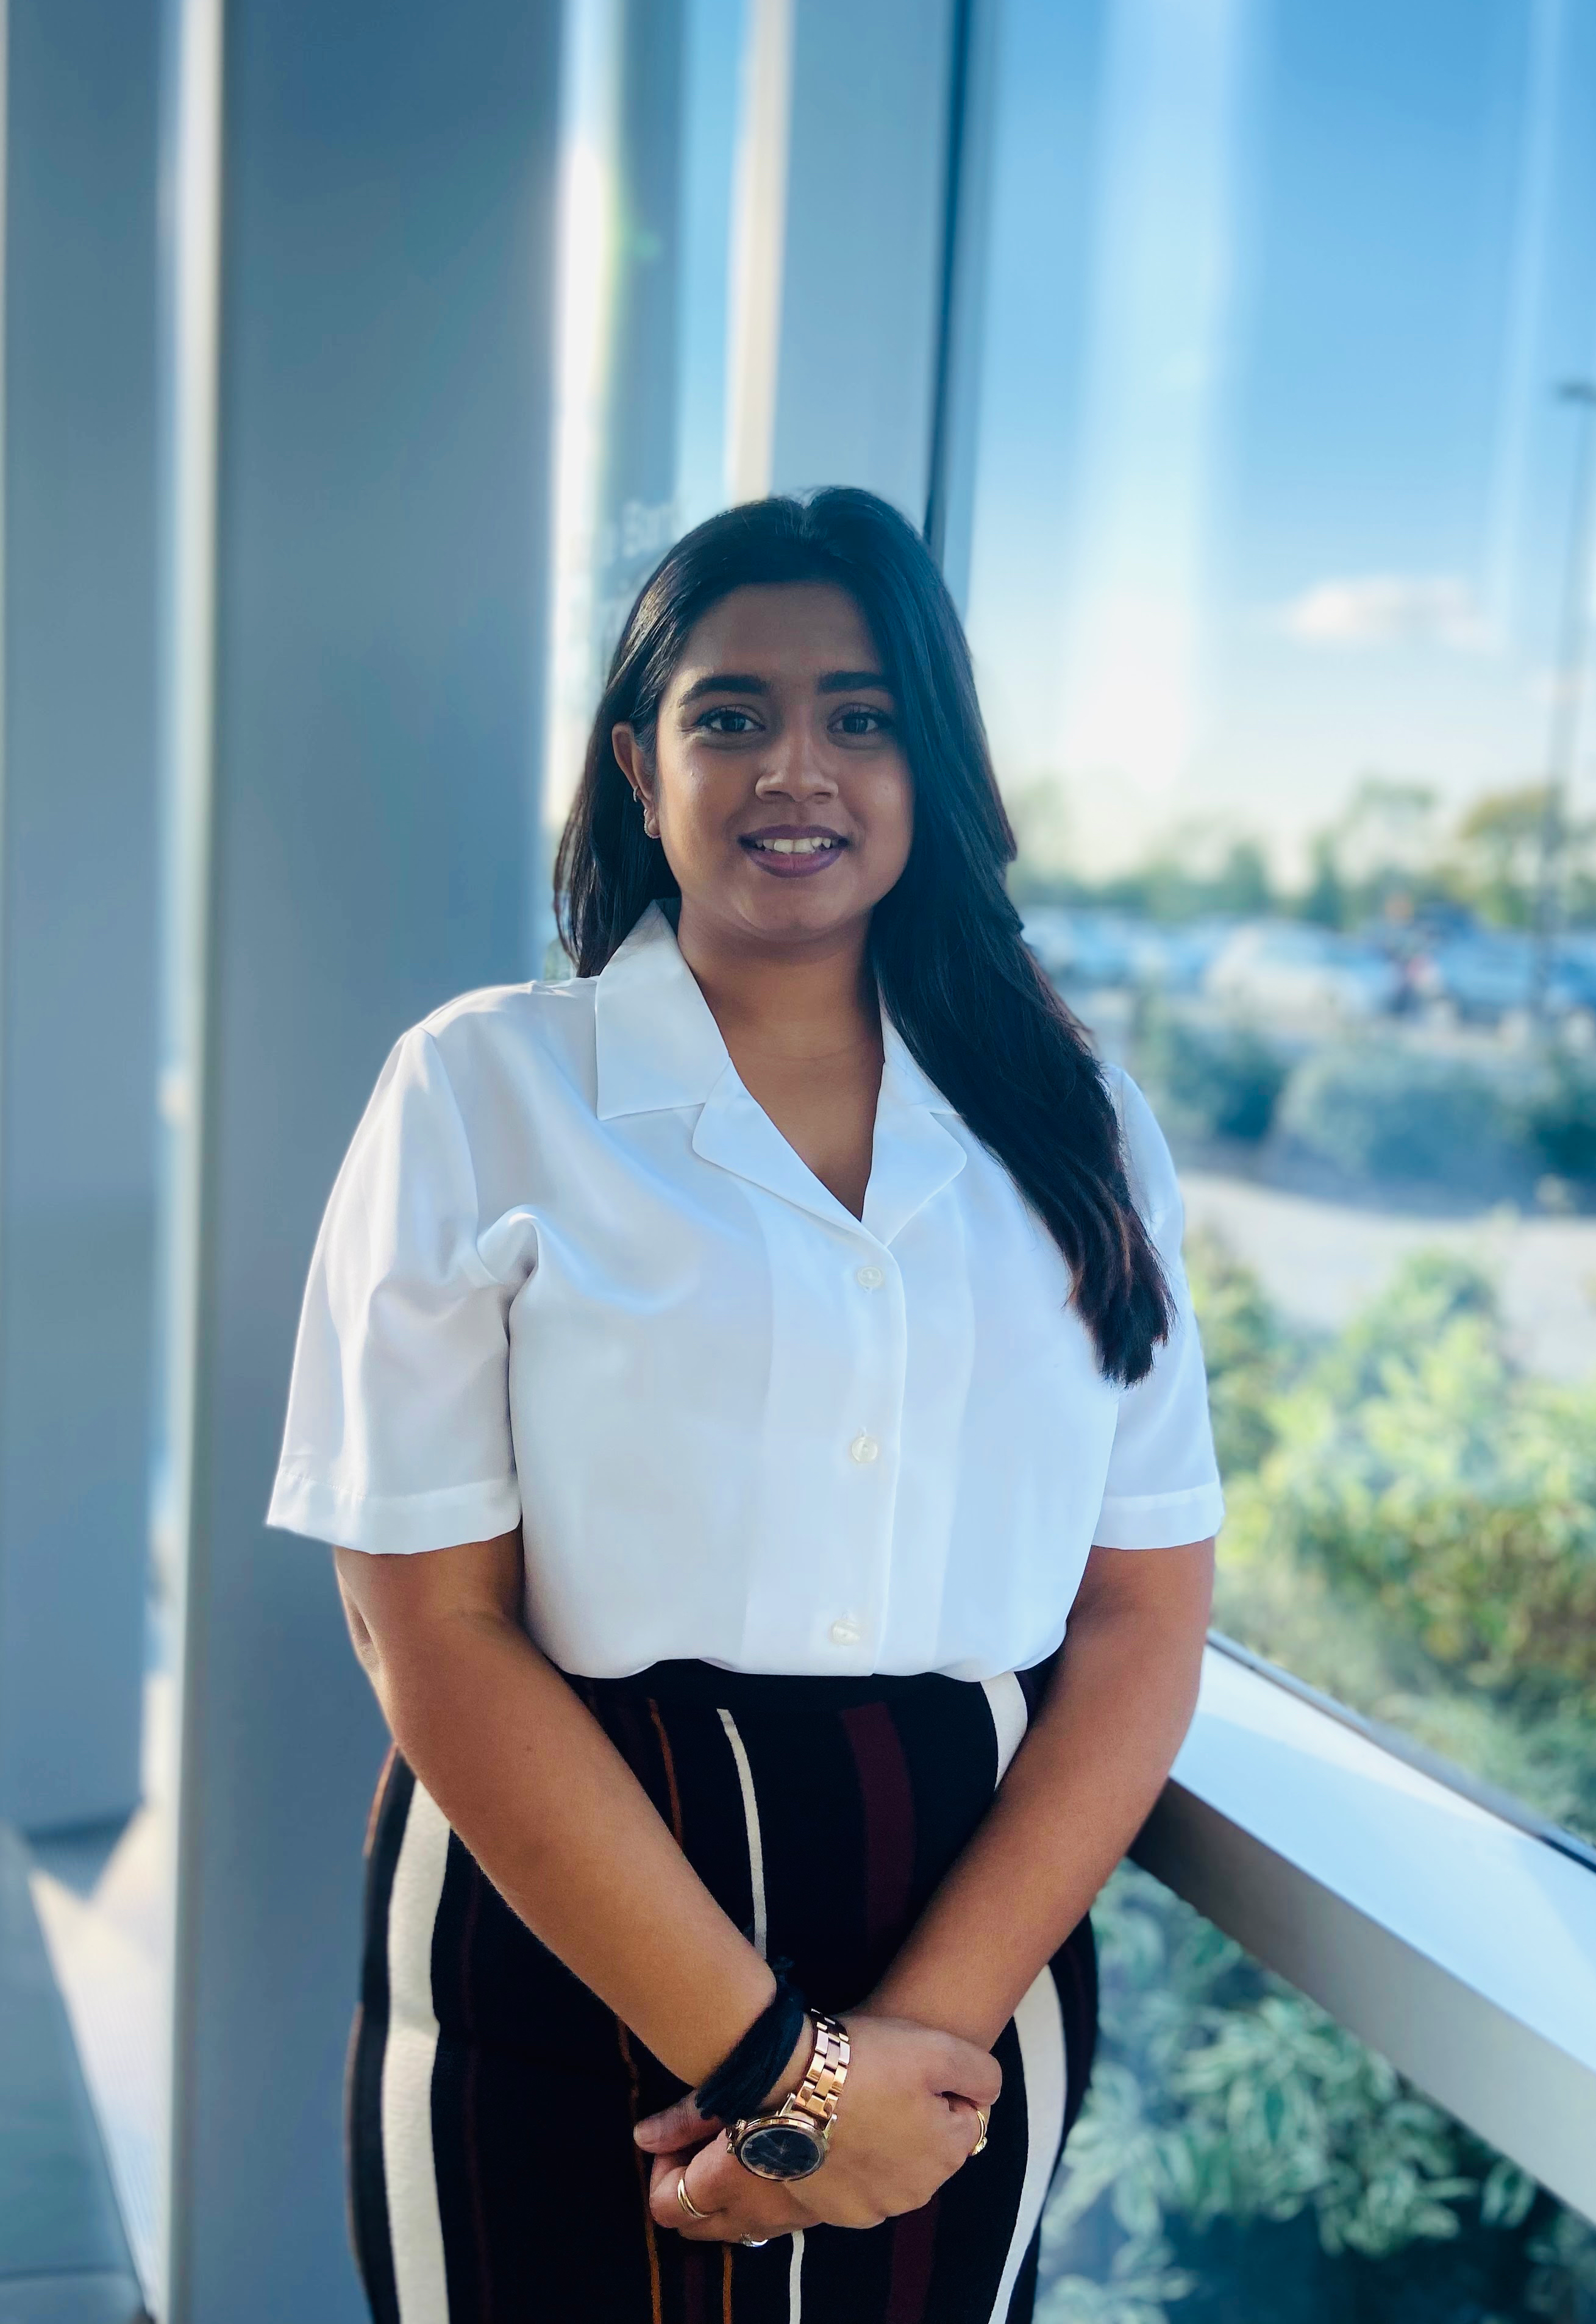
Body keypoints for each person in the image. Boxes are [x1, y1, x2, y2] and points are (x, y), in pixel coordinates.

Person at [268, 487, 1222, 2322]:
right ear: (640, 765)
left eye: (863, 718)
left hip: (967, 1971)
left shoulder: (1079, 1126)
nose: (801, 768)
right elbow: (433, 1634)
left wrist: (897, 2063)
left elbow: (1141, 1619)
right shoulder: (480, 1094)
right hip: (573, 1941)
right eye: (732, 715)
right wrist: (785, 2078)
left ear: (932, 765)